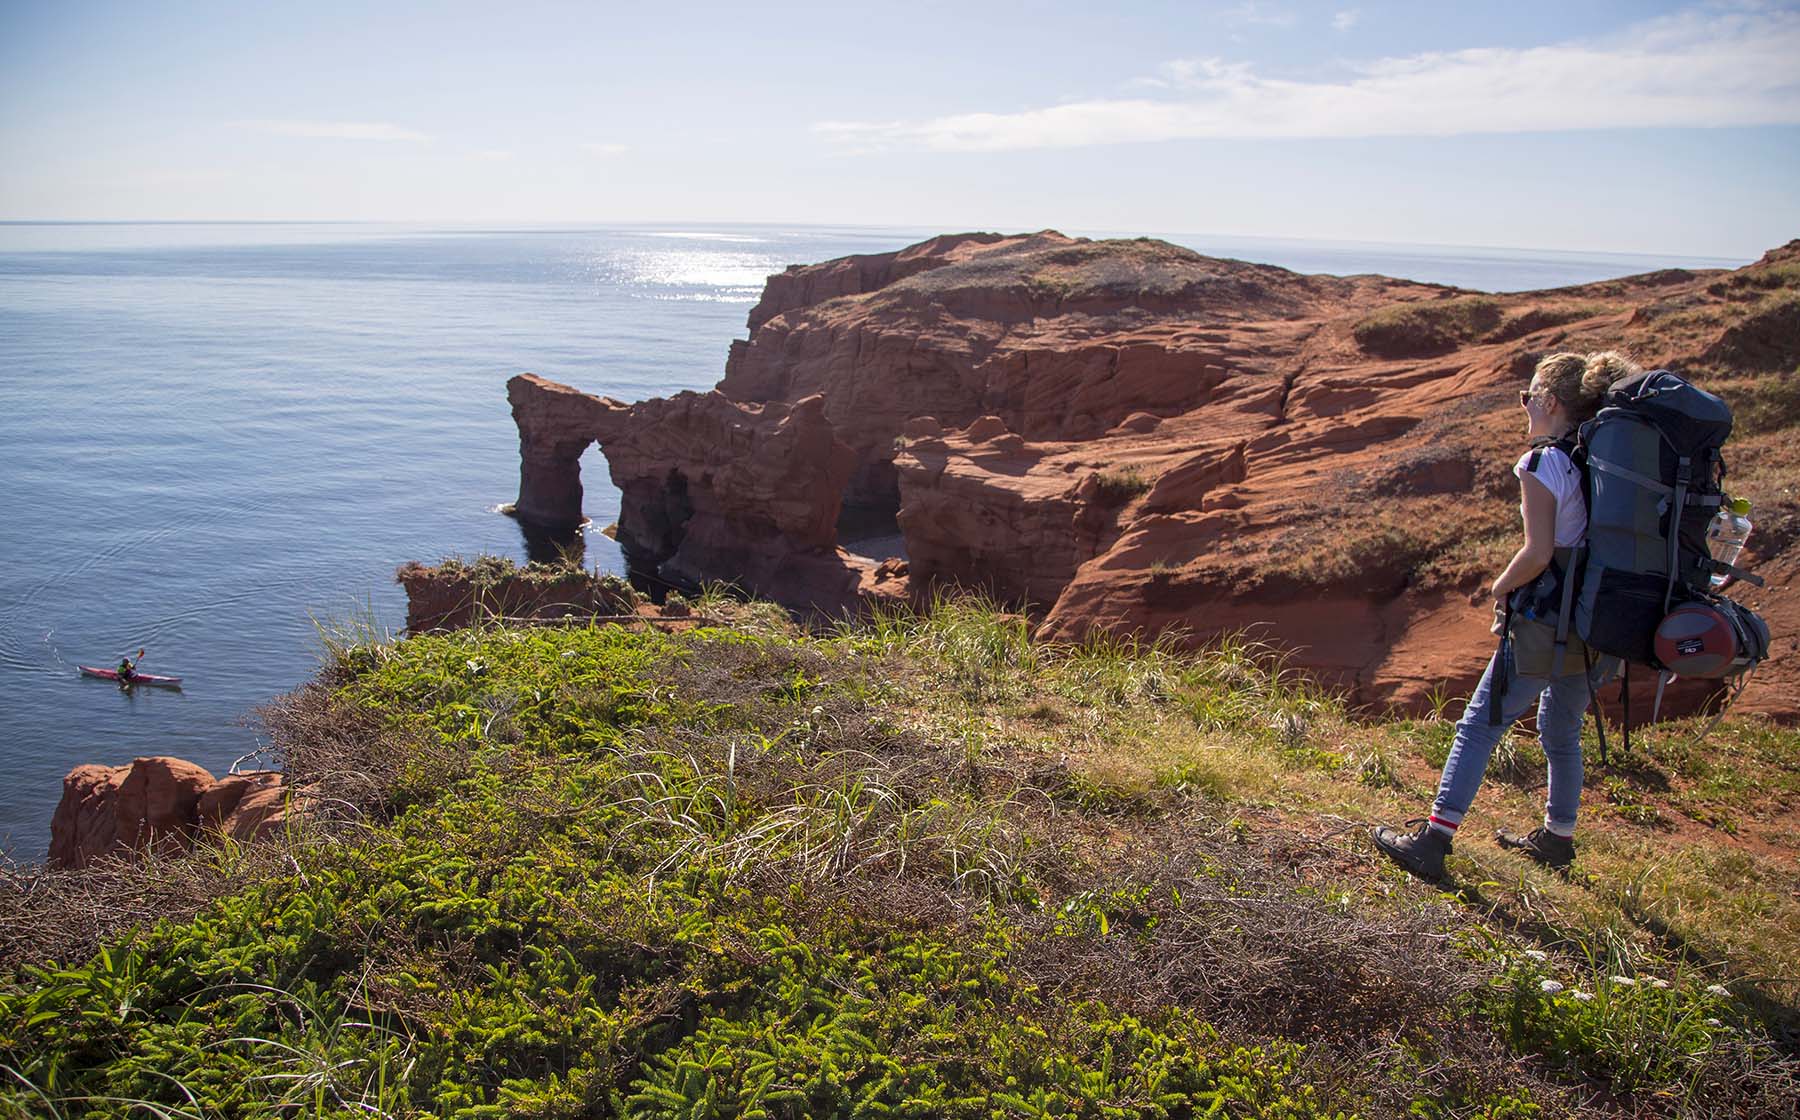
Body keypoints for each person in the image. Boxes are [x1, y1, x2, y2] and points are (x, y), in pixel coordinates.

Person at [1372, 351, 1621, 881]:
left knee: (1479, 726)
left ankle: (1433, 841)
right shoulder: (1601, 461)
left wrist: (1500, 588)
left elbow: (1538, 551)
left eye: (1528, 396)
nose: (1524, 406)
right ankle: (1558, 839)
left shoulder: (1542, 462)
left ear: (1551, 402)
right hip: (1592, 621)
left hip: (1544, 618)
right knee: (1561, 732)